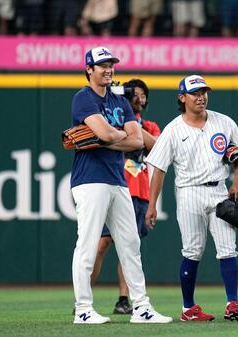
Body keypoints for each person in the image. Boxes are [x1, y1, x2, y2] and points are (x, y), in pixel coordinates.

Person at [70, 46, 172, 324]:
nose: (108, 68)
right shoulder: (83, 98)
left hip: (117, 180)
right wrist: (114, 136)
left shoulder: (121, 102)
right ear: (89, 69)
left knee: (130, 244)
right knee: (88, 244)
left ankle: (141, 308)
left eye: (111, 64)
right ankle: (82, 309)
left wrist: (107, 138)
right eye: (102, 64)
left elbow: (137, 141)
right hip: (90, 179)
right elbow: (107, 133)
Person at [145, 75, 238, 322]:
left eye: (204, 92)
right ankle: (188, 308)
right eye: (194, 93)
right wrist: (152, 205)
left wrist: (236, 181)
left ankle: (232, 303)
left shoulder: (223, 122)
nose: (201, 96)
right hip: (189, 192)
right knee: (192, 250)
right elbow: (159, 168)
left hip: (219, 191)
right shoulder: (173, 130)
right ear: (182, 97)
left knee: (227, 248)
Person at [90, 78, 161, 315]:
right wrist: (124, 118)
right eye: (133, 94)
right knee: (101, 245)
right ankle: (84, 298)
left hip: (139, 194)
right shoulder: (113, 121)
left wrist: (132, 123)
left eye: (141, 95)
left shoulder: (149, 126)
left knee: (129, 247)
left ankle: (124, 299)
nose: (137, 98)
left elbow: (156, 147)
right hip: (115, 186)